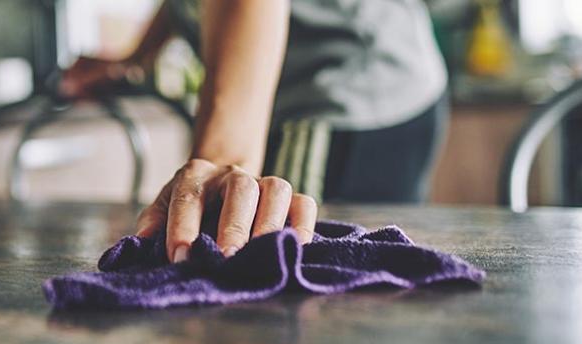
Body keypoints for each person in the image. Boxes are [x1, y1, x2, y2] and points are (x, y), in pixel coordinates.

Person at [61, 0, 448, 264]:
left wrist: (222, 162)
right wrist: (137, 56)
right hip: (334, 84)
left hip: (352, 83)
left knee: (279, 254)